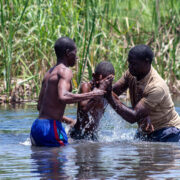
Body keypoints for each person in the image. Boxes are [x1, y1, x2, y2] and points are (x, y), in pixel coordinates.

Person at [30, 37, 106, 147]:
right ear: (68, 53)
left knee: (43, 162)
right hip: (51, 128)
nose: (77, 56)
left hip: (37, 127)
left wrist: (69, 121)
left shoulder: (48, 73)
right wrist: (92, 94)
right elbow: (63, 96)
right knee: (60, 161)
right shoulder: (65, 71)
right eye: (75, 52)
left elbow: (40, 106)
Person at [104, 44, 180, 142]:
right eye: (129, 63)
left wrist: (109, 97)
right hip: (146, 130)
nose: (130, 67)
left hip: (168, 131)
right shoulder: (131, 73)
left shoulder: (157, 86)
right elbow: (114, 91)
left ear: (147, 62)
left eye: (134, 64)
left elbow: (133, 116)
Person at [69, 61, 115, 140]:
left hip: (93, 134)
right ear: (94, 76)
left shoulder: (107, 92)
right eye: (103, 81)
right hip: (79, 133)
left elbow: (118, 106)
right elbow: (83, 109)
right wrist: (99, 90)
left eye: (109, 81)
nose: (104, 84)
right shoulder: (86, 87)